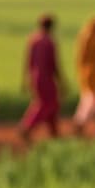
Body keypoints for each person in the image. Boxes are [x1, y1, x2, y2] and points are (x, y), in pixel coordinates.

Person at [19, 14, 66, 143]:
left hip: (35, 77)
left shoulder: (33, 40)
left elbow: (28, 62)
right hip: (46, 79)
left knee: (50, 105)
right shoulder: (49, 42)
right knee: (47, 104)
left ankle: (55, 134)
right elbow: (54, 64)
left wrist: (25, 80)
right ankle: (27, 127)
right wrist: (62, 82)